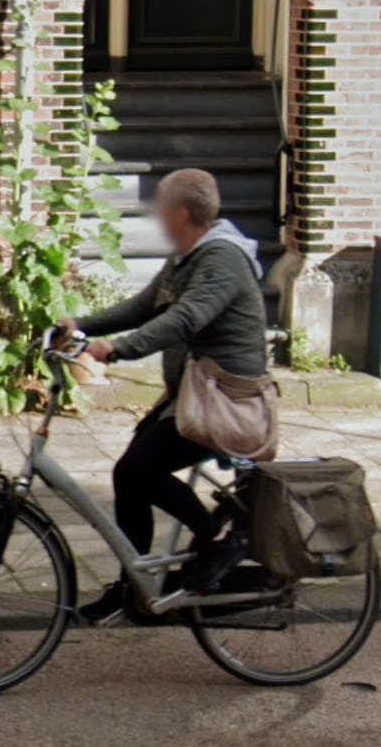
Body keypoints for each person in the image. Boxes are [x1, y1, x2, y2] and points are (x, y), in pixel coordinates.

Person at [59, 168, 270, 625]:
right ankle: (134, 588)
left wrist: (118, 349)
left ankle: (217, 541)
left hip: (227, 404)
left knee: (138, 469)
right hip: (194, 397)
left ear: (180, 213)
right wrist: (82, 326)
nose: (154, 217)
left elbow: (185, 319)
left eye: (159, 208)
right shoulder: (186, 258)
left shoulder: (221, 261)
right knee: (129, 476)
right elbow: (145, 305)